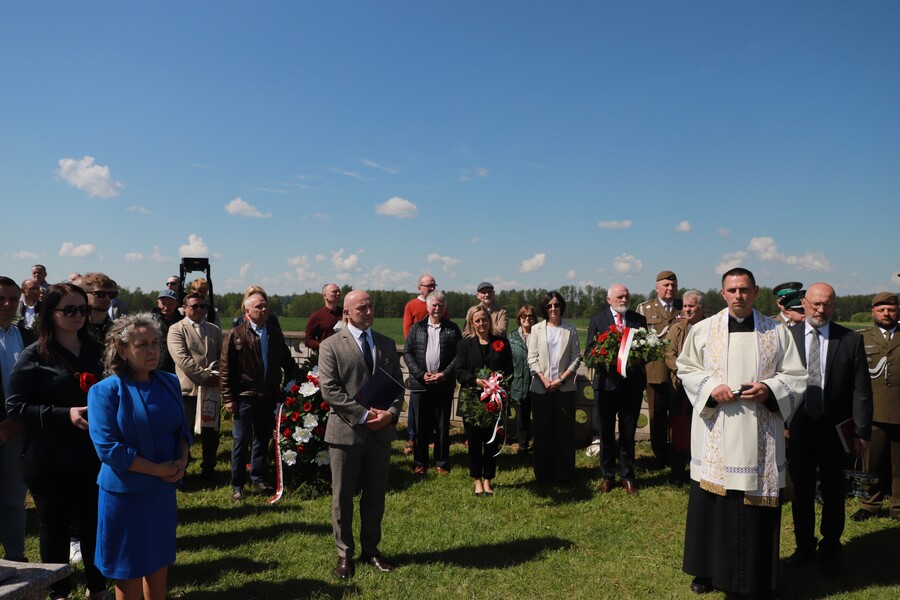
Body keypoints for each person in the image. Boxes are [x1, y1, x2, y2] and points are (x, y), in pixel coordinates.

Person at [676, 267, 807, 597]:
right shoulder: (704, 330)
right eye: (732, 290)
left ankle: (756, 575)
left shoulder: (776, 332)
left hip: (758, 434)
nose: (739, 295)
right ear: (723, 293)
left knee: (752, 506)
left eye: (745, 289)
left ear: (756, 291)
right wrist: (711, 386)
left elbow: (795, 375)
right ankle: (706, 570)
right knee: (712, 502)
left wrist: (768, 388)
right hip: (715, 430)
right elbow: (687, 368)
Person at [5, 283, 108, 599]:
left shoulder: (97, 350)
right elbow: (16, 407)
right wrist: (65, 415)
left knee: (93, 523)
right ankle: (58, 591)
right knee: (55, 524)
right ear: (50, 313)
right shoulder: (33, 355)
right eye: (69, 309)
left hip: (91, 453)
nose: (78, 315)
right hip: (47, 455)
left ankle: (97, 587)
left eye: (82, 309)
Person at [88, 314, 190, 600]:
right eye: (142, 344)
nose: (152, 350)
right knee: (129, 571)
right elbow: (108, 448)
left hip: (161, 492)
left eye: (155, 343)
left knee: (158, 564)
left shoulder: (169, 382)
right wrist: (159, 470)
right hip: (125, 495)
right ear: (121, 350)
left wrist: (181, 462)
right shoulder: (105, 391)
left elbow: (182, 429)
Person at [786, 282, 872, 571]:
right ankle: (804, 545)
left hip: (836, 430)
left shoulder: (850, 340)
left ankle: (831, 546)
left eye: (828, 304)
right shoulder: (786, 337)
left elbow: (861, 390)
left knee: (835, 490)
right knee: (802, 490)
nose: (821, 310)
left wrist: (861, 432)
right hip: (798, 428)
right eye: (816, 304)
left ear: (834, 306)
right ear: (805, 303)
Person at [318, 290, 404, 580]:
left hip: (380, 435)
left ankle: (371, 550)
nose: (369, 312)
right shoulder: (330, 346)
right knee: (342, 497)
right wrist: (366, 416)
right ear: (346, 313)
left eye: (371, 307)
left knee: (375, 495)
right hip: (346, 434)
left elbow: (398, 387)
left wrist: (390, 415)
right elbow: (330, 390)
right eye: (362, 308)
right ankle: (344, 554)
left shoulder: (387, 344)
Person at [220, 290, 300, 503]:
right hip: (245, 396)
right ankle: (237, 485)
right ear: (247, 310)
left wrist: (288, 387)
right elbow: (225, 369)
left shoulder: (274, 334)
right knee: (240, 441)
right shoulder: (235, 334)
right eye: (259, 307)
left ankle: (258, 477)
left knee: (262, 439)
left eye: (266, 306)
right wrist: (228, 397)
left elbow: (288, 363)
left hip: (268, 396)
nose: (264, 310)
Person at [585, 284, 647, 495]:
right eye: (619, 296)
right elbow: (589, 353)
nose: (624, 299)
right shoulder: (597, 320)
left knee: (628, 433)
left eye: (626, 296)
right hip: (606, 386)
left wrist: (638, 358)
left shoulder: (639, 320)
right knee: (606, 432)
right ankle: (607, 476)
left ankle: (628, 477)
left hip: (631, 386)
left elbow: (646, 349)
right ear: (608, 299)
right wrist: (607, 357)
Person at [456, 306, 513, 496]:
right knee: (474, 442)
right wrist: (475, 381)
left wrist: (499, 382)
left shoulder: (501, 343)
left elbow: (509, 370)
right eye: (477, 320)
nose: (481, 323)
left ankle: (488, 480)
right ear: (472, 323)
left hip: (494, 400)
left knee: (491, 442)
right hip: (472, 399)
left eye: (485, 320)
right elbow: (460, 371)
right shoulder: (464, 345)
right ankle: (477, 481)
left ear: (490, 321)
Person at [402, 291, 461, 475]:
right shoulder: (416, 328)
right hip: (421, 384)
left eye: (441, 305)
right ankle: (420, 463)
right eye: (434, 305)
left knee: (442, 426)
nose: (437, 308)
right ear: (427, 307)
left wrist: (443, 374)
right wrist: (420, 374)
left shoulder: (453, 329)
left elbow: (459, 356)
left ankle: (441, 463)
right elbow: (408, 353)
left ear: (445, 307)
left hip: (443, 384)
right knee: (420, 426)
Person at [167, 292, 223, 480]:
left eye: (203, 306)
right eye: (195, 306)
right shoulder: (176, 329)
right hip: (188, 390)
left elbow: (222, 356)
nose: (200, 309)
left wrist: (217, 377)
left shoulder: (214, 329)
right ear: (184, 308)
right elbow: (182, 359)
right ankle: (182, 469)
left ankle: (209, 468)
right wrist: (205, 377)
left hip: (211, 391)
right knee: (185, 433)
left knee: (211, 432)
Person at [854, 292, 900, 521]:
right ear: (873, 312)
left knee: (899, 466)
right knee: (870, 464)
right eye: (881, 309)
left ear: (897, 311)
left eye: (891, 309)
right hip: (873, 412)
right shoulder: (861, 339)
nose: (886, 313)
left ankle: (898, 507)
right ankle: (870, 504)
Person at [527, 292, 581, 483]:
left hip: (564, 389)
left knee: (564, 432)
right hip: (540, 388)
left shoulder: (570, 329)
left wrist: (561, 380)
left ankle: (564, 473)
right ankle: (542, 474)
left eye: (556, 305)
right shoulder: (536, 329)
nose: (553, 309)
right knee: (542, 433)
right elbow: (532, 358)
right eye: (549, 306)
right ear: (544, 308)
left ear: (561, 306)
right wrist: (543, 379)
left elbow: (576, 357)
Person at [0, 277, 34, 562]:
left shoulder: (26, 335)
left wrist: (19, 419)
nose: (9, 304)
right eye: (2, 299)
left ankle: (15, 559)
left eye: (14, 299)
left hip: (17, 429)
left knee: (13, 498)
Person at [637, 270, 681, 469]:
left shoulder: (684, 307)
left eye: (673, 285)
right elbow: (638, 340)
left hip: (680, 372)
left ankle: (677, 454)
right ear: (657, 287)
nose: (670, 288)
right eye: (666, 285)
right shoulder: (645, 309)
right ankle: (660, 455)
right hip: (654, 371)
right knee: (656, 415)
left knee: (678, 415)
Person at [664, 289, 705, 486]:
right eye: (685, 306)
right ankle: (678, 473)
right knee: (680, 430)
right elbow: (669, 355)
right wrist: (687, 373)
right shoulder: (676, 329)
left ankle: (702, 470)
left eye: (691, 306)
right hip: (680, 387)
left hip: (706, 388)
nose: (687, 310)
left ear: (701, 308)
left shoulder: (712, 328)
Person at [400, 274, 438, 456]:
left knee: (433, 400)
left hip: (436, 360)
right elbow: (408, 334)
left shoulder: (439, 304)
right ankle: (412, 437)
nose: (431, 288)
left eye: (433, 285)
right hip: (417, 361)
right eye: (427, 285)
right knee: (416, 400)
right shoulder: (411, 306)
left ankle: (430, 435)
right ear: (419, 287)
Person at [509, 305, 536, 454]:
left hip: (537, 381)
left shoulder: (540, 335)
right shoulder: (512, 337)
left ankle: (539, 444)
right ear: (519, 319)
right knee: (522, 416)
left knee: (538, 416)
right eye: (524, 316)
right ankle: (523, 445)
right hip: (519, 381)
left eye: (530, 316)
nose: (527, 319)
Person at [81, 272, 118, 347]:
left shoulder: (117, 329)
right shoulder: (77, 327)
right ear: (85, 294)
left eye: (111, 295)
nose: (107, 298)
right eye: (100, 294)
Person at [152, 289, 183, 374]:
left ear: (176, 303)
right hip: (158, 361)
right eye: (163, 303)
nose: (166, 307)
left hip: (177, 362)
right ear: (158, 302)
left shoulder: (182, 321)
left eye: (170, 304)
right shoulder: (151, 321)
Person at [304, 283, 342, 351]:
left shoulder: (346, 313)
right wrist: (322, 346)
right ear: (325, 296)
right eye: (334, 291)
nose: (338, 293)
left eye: (339, 291)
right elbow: (308, 340)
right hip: (327, 357)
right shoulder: (316, 316)